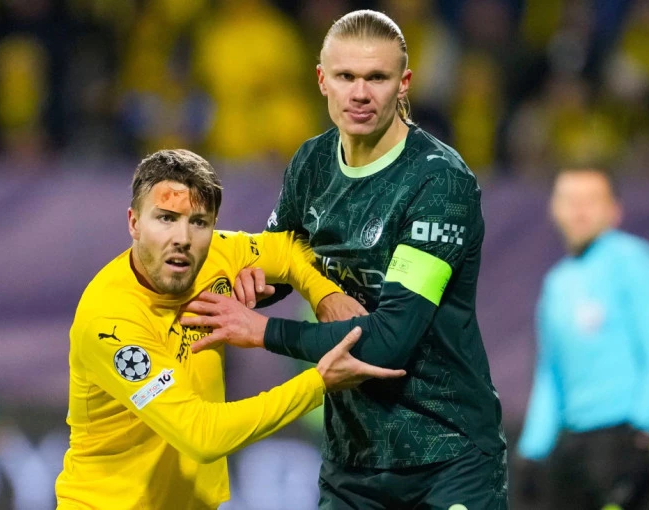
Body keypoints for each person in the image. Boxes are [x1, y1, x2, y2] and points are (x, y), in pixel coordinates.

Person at [181, 10, 507, 510]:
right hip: (353, 462)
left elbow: (390, 341)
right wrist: (250, 285)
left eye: (376, 77)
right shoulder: (312, 162)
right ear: (321, 80)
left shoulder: (437, 181)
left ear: (403, 84)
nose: (360, 93)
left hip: (446, 459)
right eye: (346, 76)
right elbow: (279, 260)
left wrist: (262, 331)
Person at [54, 149, 405, 510]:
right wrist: (319, 383)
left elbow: (287, 248)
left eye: (199, 222)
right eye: (166, 218)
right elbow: (202, 435)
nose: (182, 238)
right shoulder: (111, 320)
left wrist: (324, 294)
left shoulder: (216, 255)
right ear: (134, 223)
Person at [515, 167, 649, 510]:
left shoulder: (634, 260)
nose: (579, 210)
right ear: (553, 208)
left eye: (591, 200)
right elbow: (550, 374)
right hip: (570, 448)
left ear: (614, 210)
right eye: (569, 199)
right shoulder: (556, 283)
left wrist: (642, 434)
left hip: (620, 442)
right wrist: (532, 450)